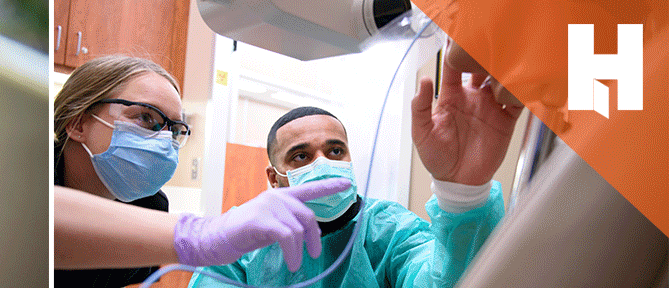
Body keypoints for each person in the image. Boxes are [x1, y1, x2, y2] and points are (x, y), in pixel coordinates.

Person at [53, 55, 352, 287]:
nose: (163, 139)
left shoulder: (150, 206)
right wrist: (201, 236)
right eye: (146, 118)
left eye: (174, 128)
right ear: (78, 123)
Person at [189, 103, 510, 286]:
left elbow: (444, 279)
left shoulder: (387, 229)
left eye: (335, 150)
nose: (323, 164)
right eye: (301, 156)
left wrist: (463, 194)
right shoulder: (244, 241)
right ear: (275, 178)